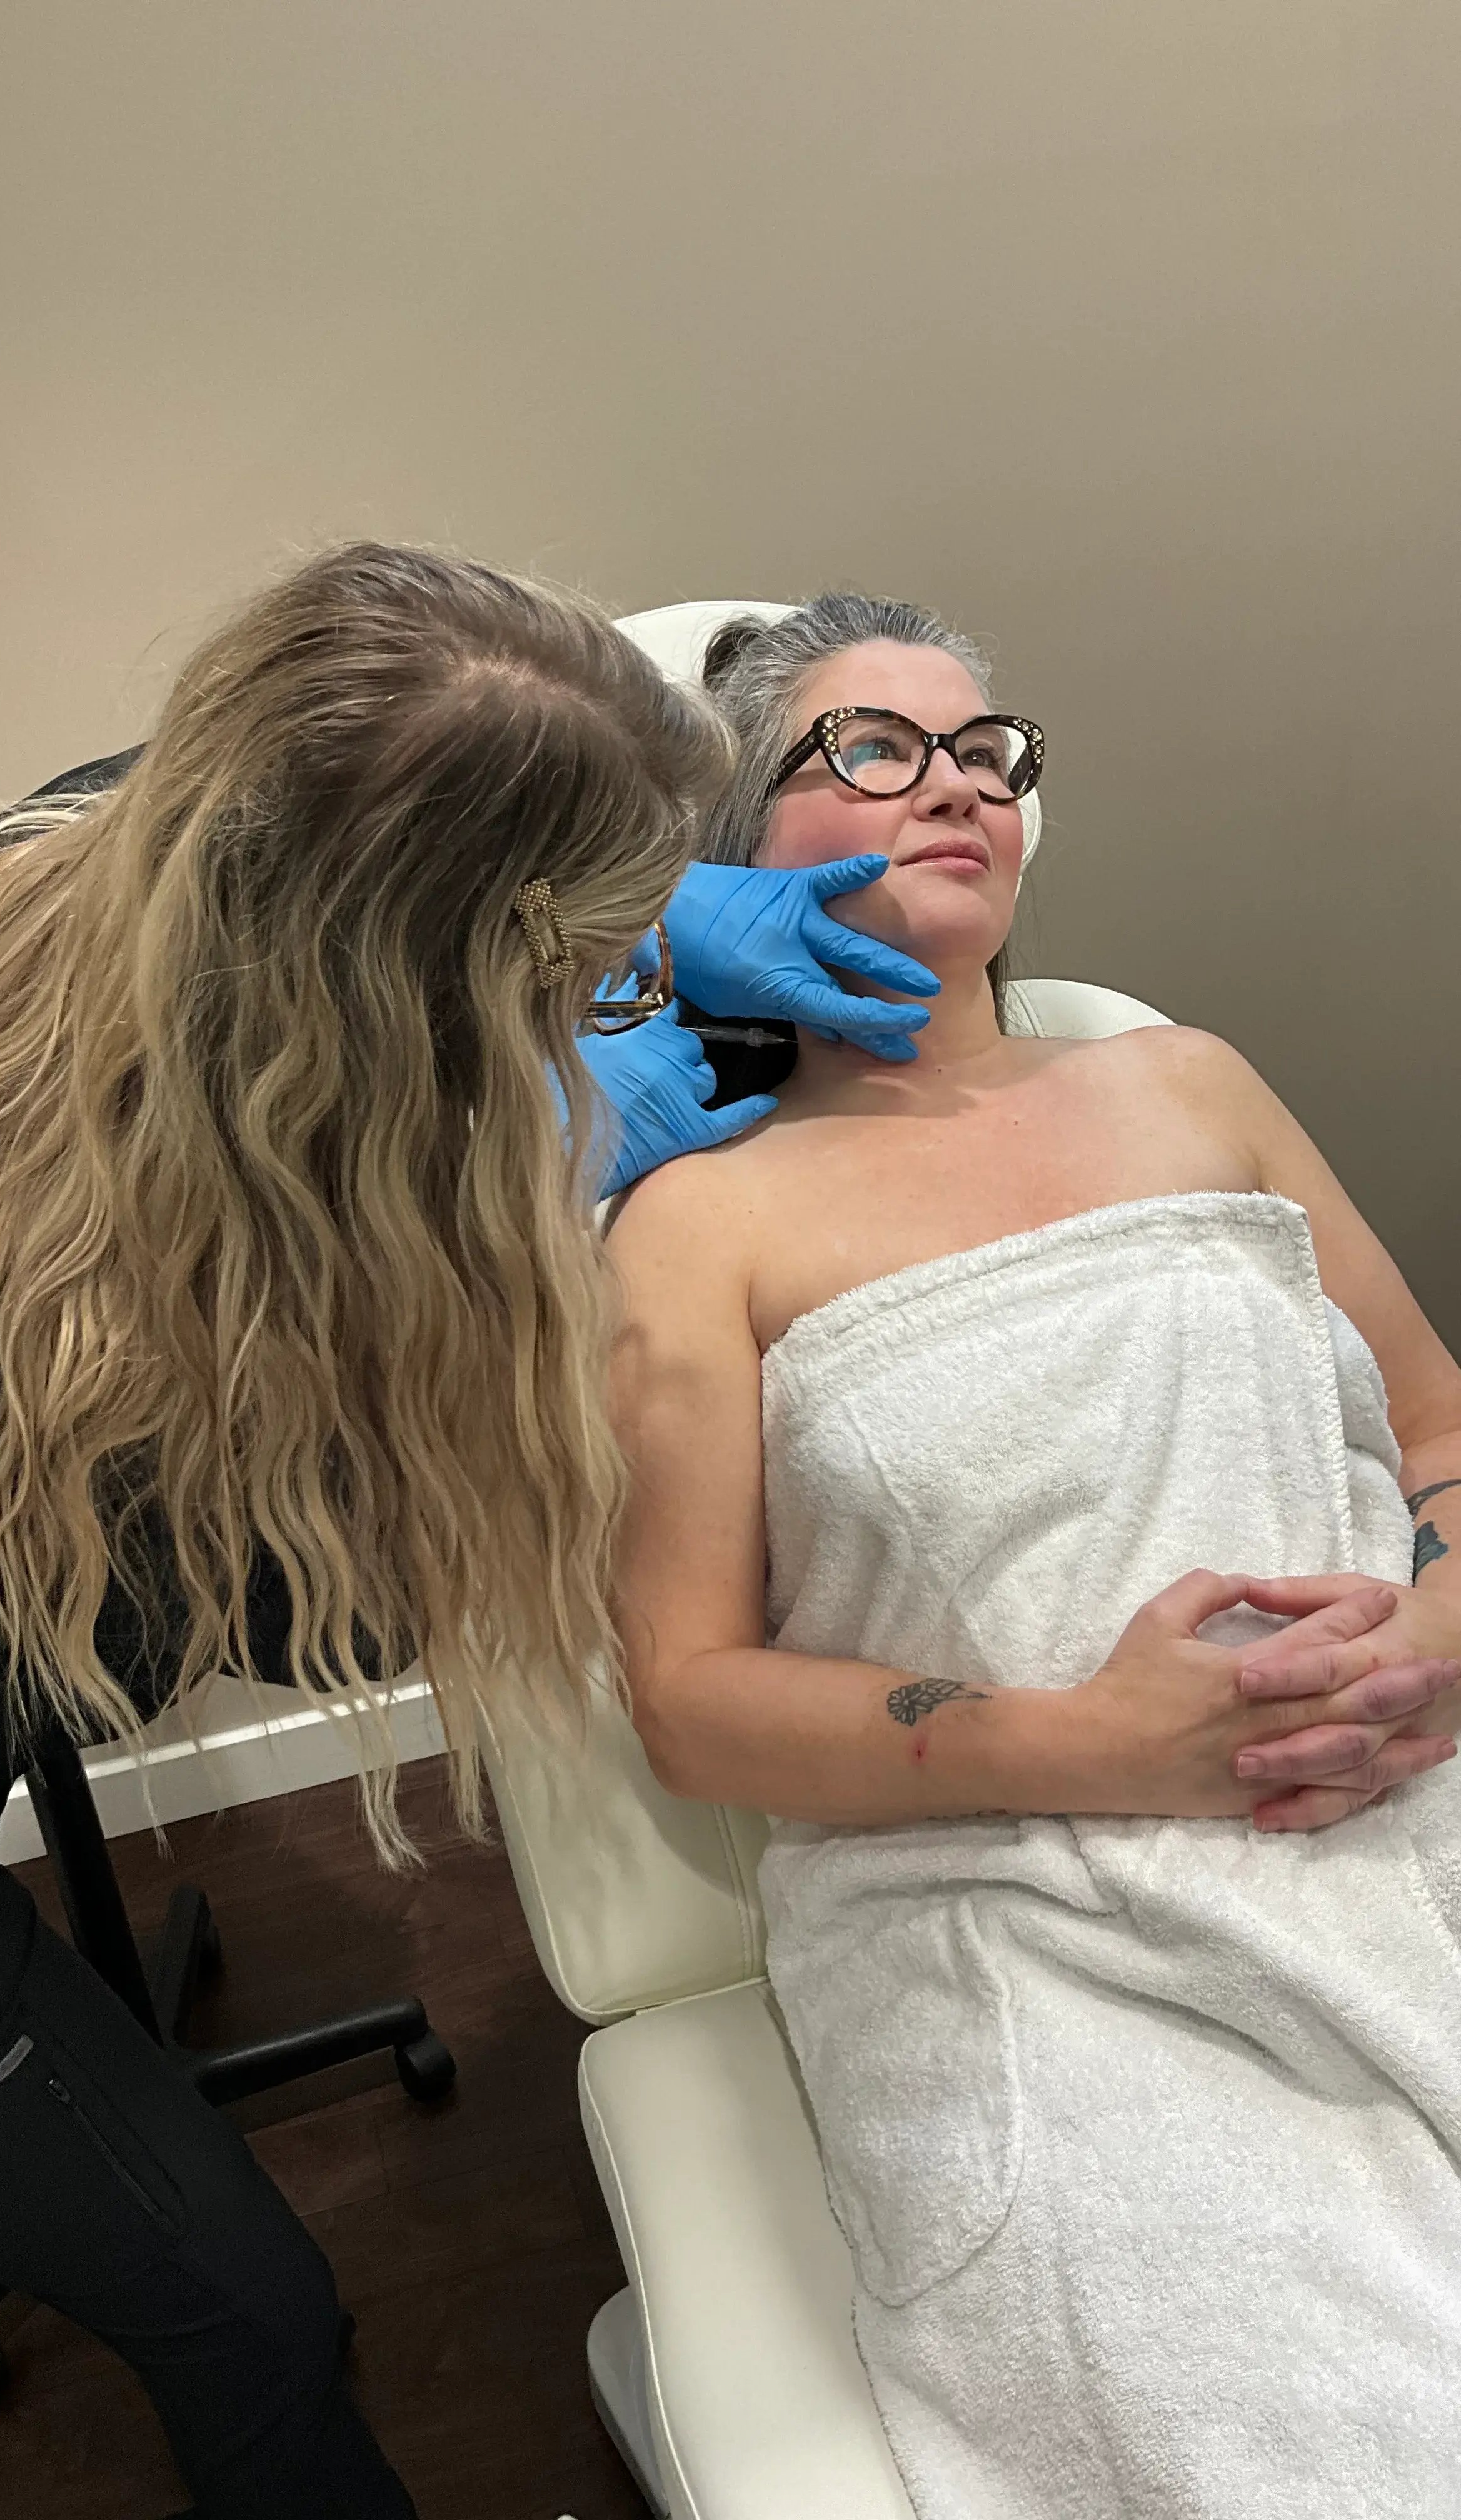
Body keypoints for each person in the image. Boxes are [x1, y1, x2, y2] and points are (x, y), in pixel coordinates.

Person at [0, 541, 953, 2520]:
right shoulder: (123, 1353)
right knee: (243, 2315)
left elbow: (342, 813)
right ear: (434, 1002)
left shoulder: (59, 858)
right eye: (586, 970)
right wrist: (581, 1152)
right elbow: (341, 1620)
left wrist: (657, 928)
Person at [605, 591, 1461, 2517]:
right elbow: (685, 1697)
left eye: (986, 752)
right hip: (1030, 1908)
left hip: (1411, 1794)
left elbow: (1439, 1433)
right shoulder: (693, 1214)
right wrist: (1099, 1745)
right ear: (734, 849)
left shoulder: (1191, 1084)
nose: (959, 786)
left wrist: (1440, 1634)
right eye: (873, 748)